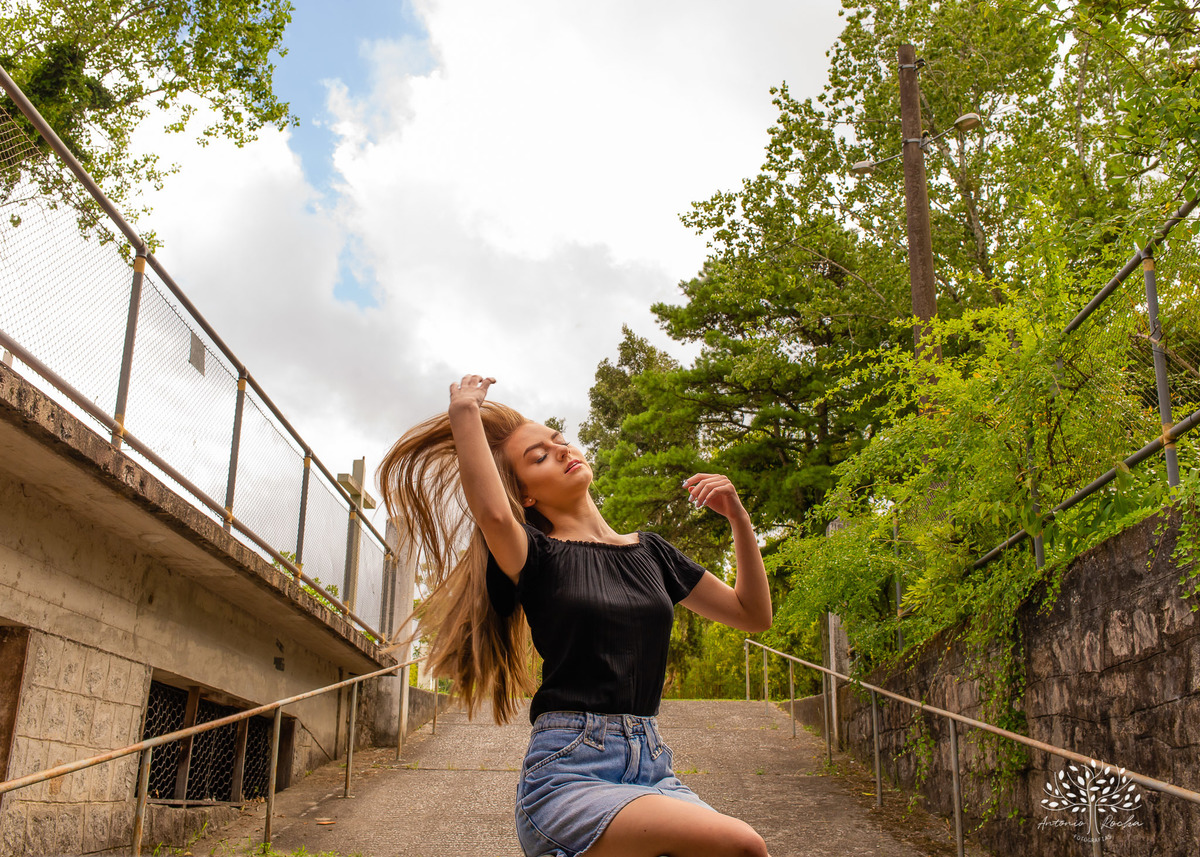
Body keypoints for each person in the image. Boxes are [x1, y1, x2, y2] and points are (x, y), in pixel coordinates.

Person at [379, 375, 773, 857]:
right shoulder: (534, 554)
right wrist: (464, 412)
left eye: (559, 441)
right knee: (741, 844)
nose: (562, 451)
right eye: (539, 456)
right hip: (569, 773)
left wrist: (738, 517)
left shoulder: (652, 552)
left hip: (653, 767)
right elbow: (494, 516)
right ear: (525, 495)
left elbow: (752, 614)